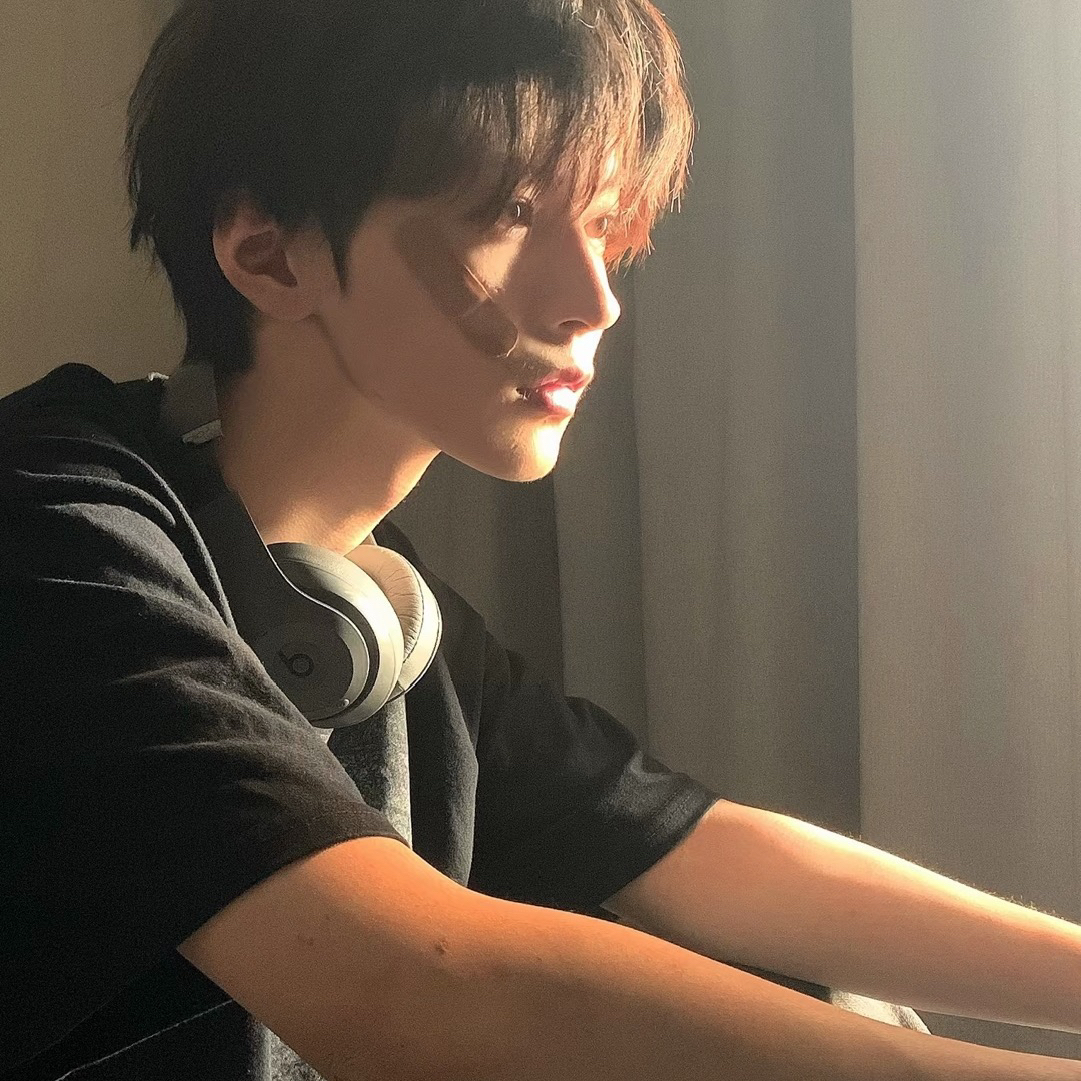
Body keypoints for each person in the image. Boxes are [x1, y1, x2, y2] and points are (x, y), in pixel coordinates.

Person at [2, 1, 1080, 1078]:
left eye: (604, 225)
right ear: (270, 255)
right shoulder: (51, 528)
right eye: (512, 213)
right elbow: (412, 989)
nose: (593, 300)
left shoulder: (385, 608)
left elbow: (691, 851)